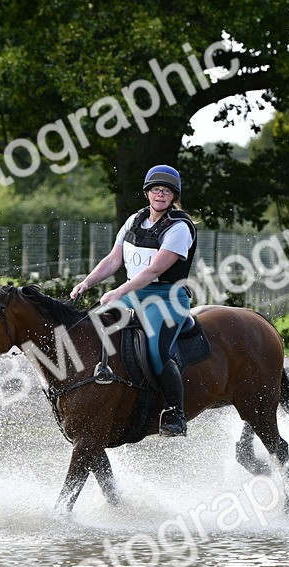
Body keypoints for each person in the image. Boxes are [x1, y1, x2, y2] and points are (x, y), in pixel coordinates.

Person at [70, 164, 198, 436]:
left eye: (166, 191)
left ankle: (176, 412)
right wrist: (87, 282)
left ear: (174, 196)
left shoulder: (179, 228)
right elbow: (114, 260)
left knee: (155, 350)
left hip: (167, 298)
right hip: (132, 295)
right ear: (147, 193)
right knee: (95, 329)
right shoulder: (134, 221)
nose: (160, 195)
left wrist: (119, 292)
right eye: (155, 190)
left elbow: (153, 271)